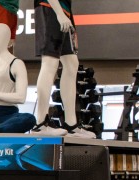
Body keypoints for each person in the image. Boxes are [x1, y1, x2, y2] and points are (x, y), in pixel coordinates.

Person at [31, 0, 93, 137]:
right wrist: (59, 13)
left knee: (71, 64)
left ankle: (71, 124)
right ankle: (40, 123)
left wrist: (64, 14)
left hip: (63, 10)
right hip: (50, 8)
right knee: (50, 63)